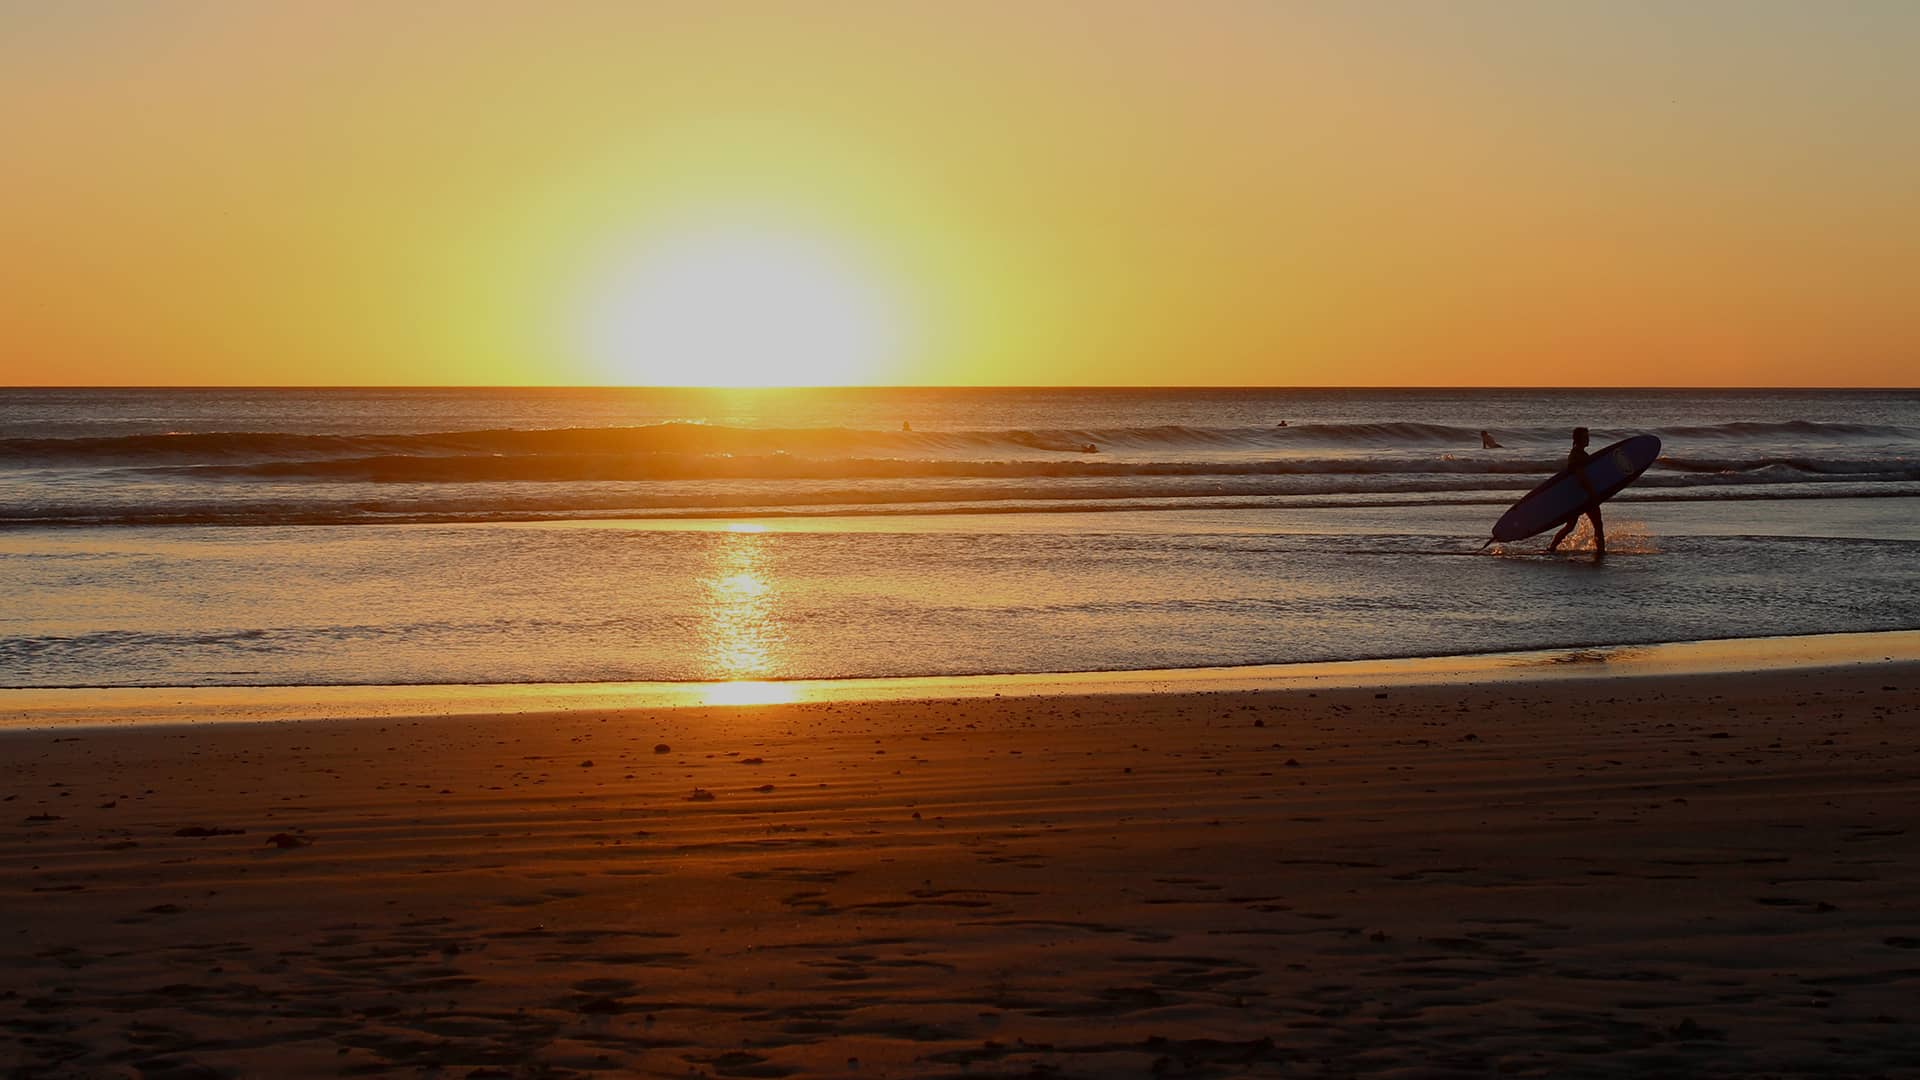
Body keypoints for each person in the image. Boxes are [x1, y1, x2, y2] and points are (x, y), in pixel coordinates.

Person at [1547, 427, 1605, 559]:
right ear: (1578, 439)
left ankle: (1552, 547)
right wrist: (1592, 492)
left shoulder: (1580, 454)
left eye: (1588, 436)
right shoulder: (1576, 456)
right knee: (1597, 525)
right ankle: (1601, 551)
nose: (1588, 439)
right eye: (1585, 437)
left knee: (1571, 525)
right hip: (1583, 496)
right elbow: (1580, 477)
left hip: (1577, 496)